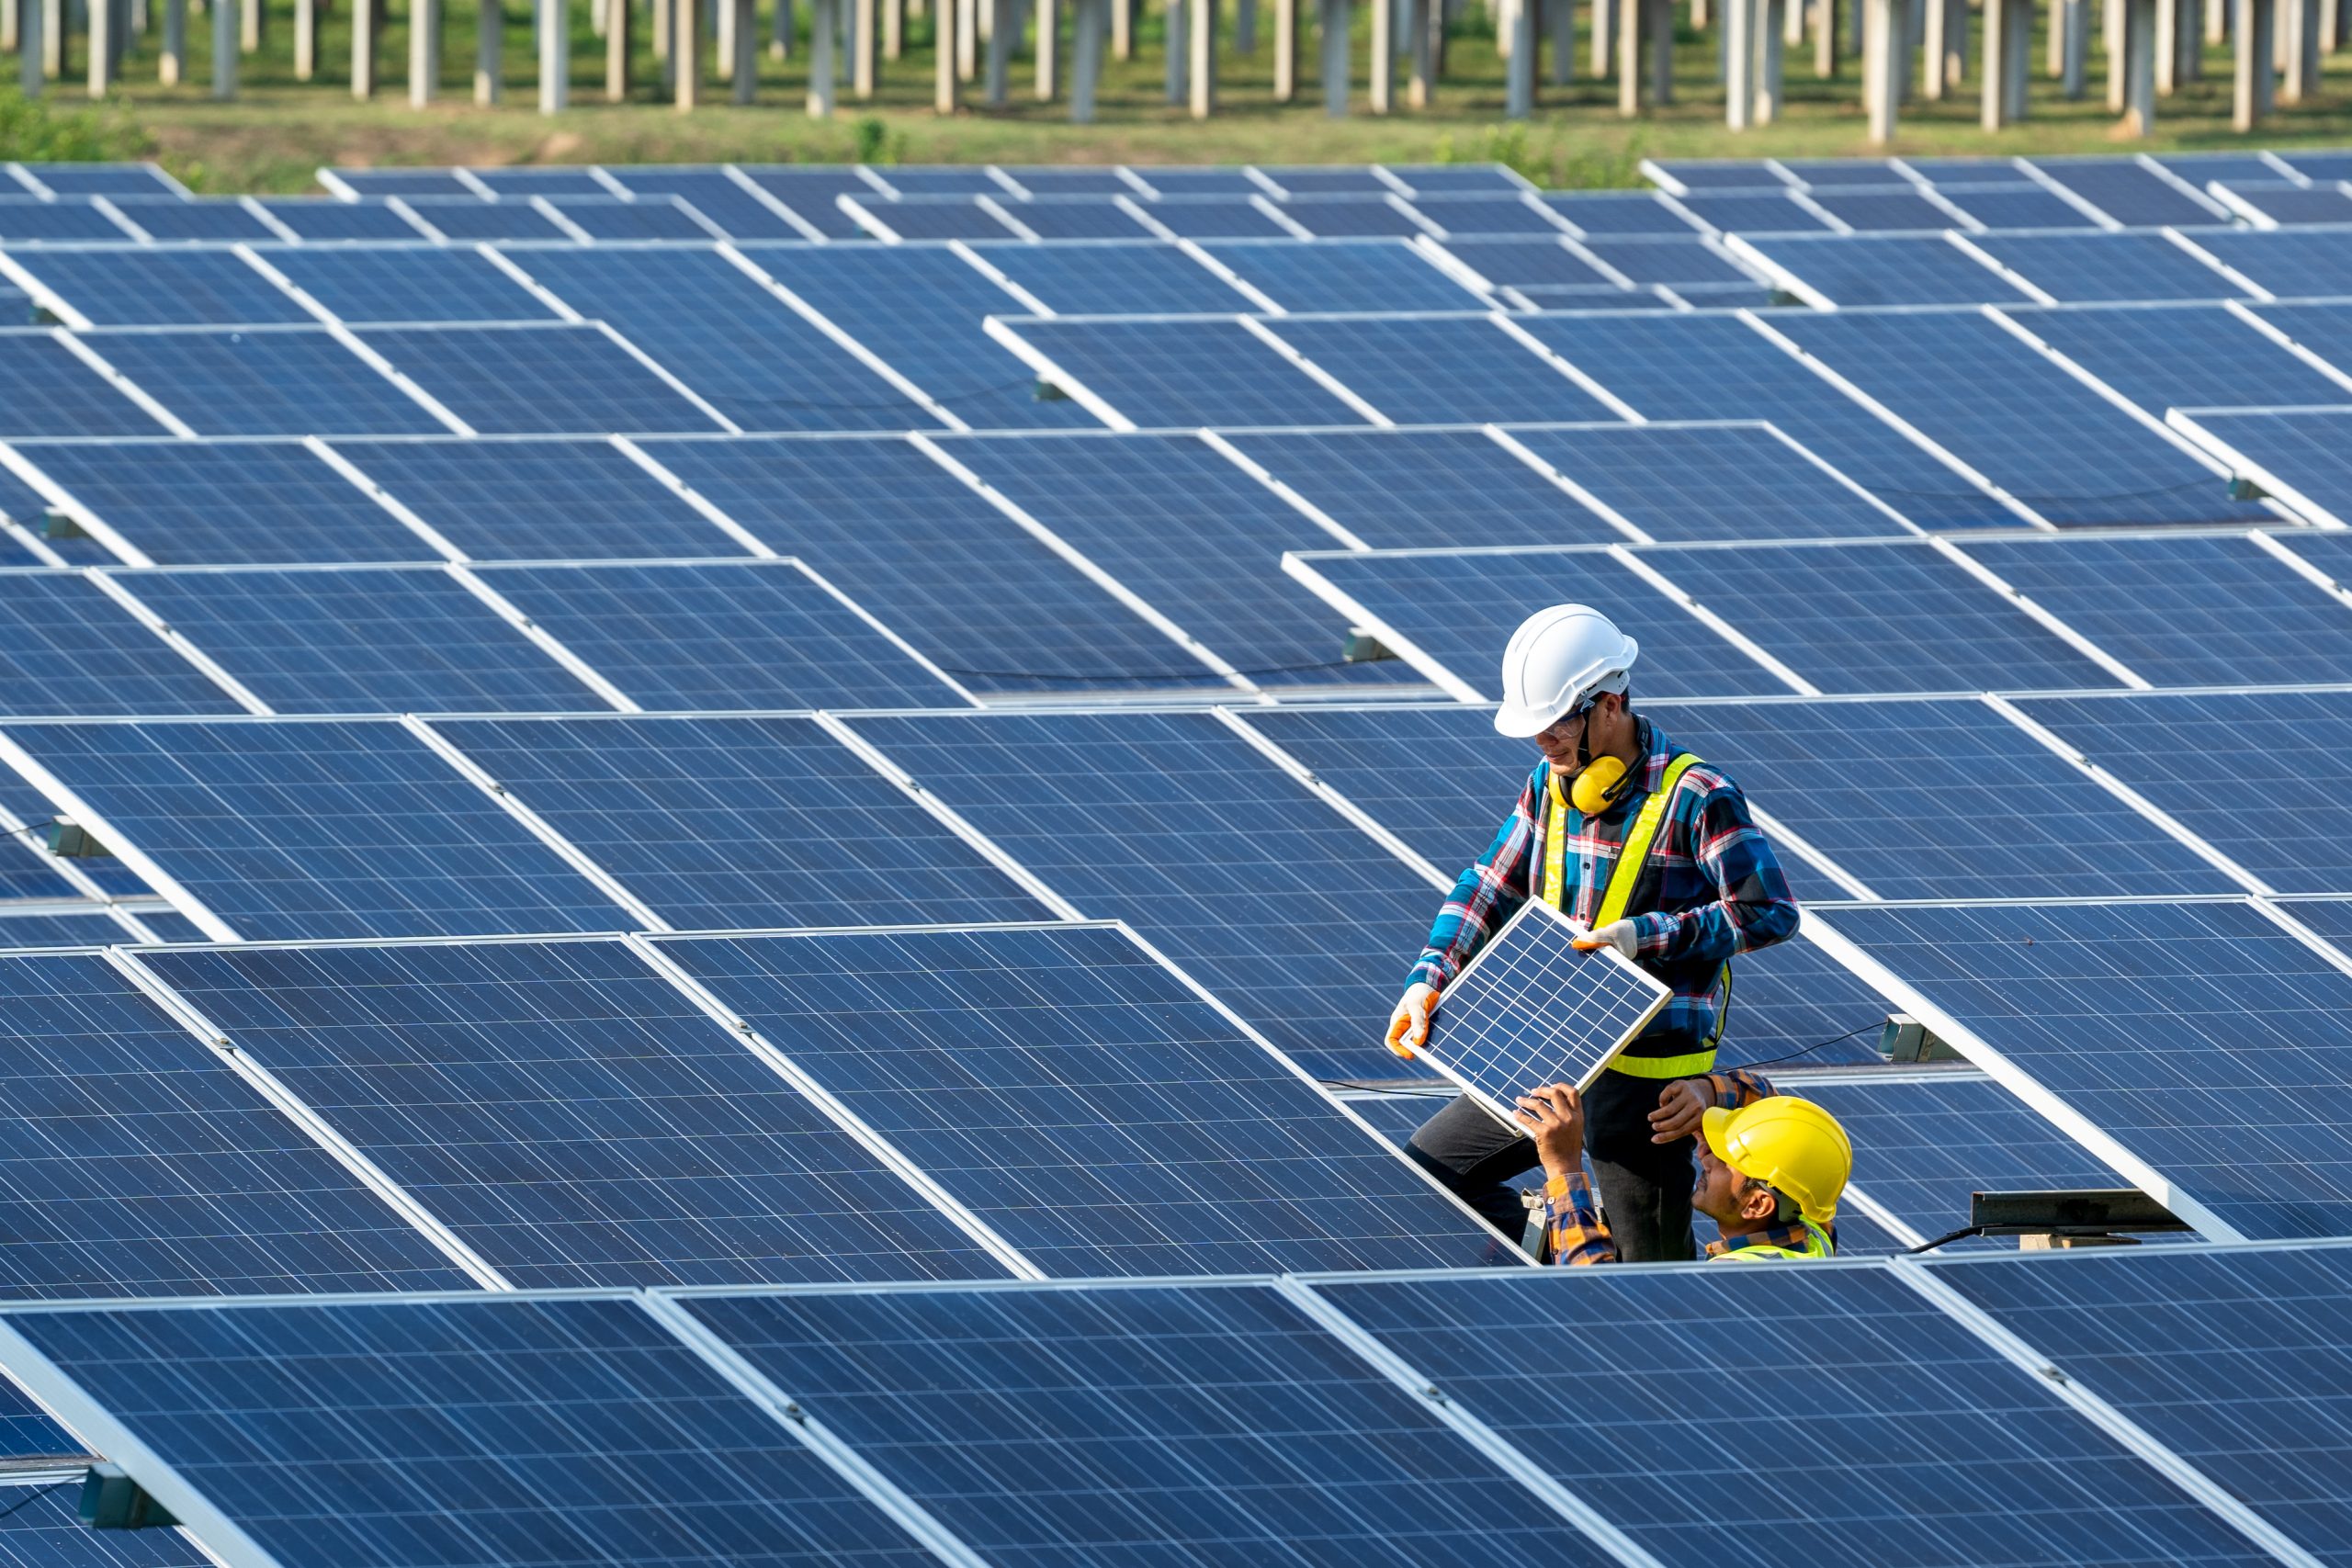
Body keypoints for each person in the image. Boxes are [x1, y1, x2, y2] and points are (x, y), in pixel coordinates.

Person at [1385, 604, 1801, 1262]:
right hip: (1551, 1054)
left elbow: (1769, 912)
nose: (1543, 746)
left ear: (1607, 703)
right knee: (1429, 1170)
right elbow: (1490, 884)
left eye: (1553, 728)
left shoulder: (1698, 794)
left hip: (1648, 1089)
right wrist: (1427, 978)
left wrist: (1646, 936)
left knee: (1646, 1282)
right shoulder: (1548, 786)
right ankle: (1555, 1260)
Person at [1511, 1077, 1850, 1263]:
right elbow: (1778, 1112)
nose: (1704, 1155)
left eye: (1724, 1159)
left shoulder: (1733, 1282)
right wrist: (1708, 1091)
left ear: (1758, 1204)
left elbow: (1596, 1296)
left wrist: (1563, 1167)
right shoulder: (1813, 1234)